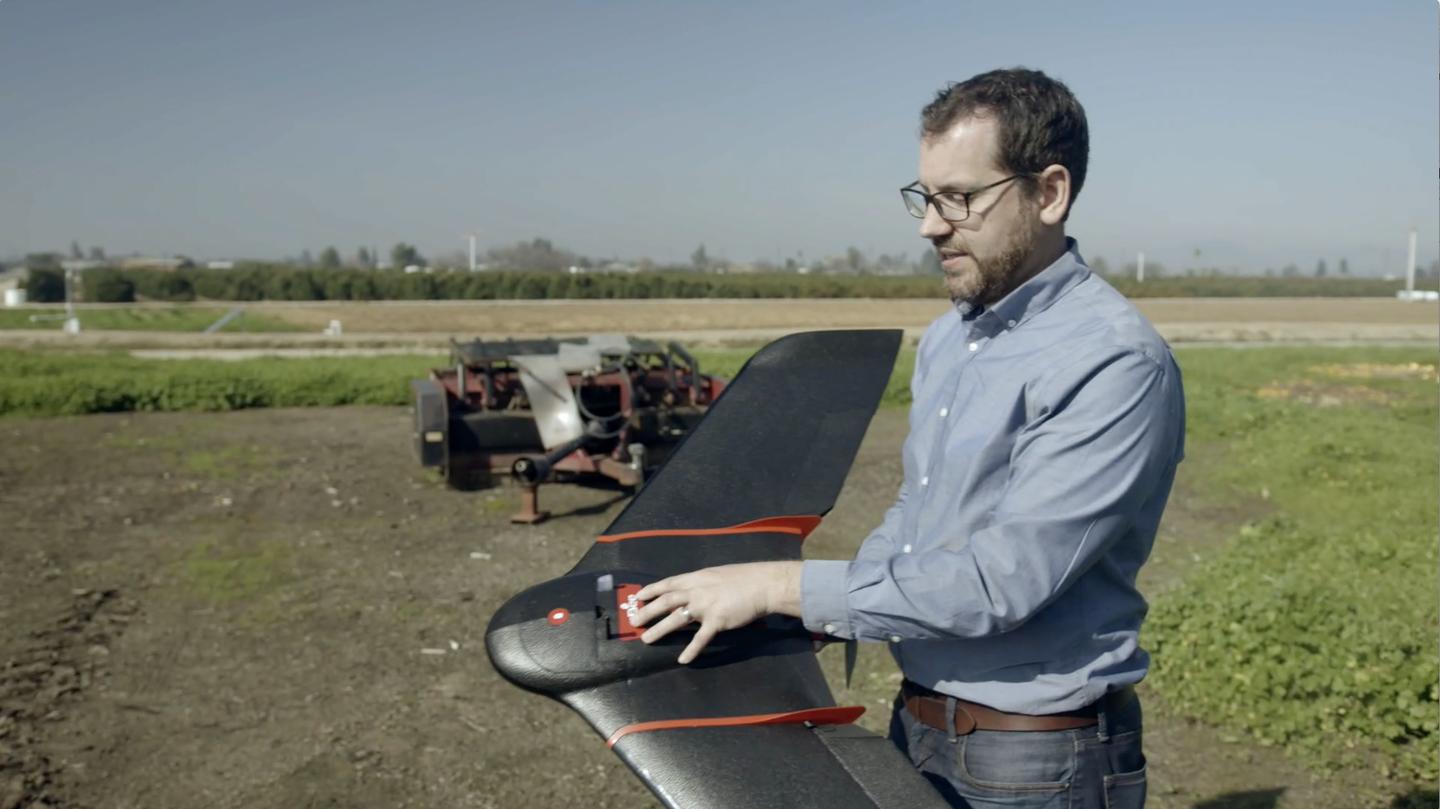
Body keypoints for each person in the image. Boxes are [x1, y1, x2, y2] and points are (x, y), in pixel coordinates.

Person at [632, 67, 1185, 809]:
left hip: (1036, 756)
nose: (929, 225)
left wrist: (778, 585)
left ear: (1048, 193)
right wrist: (821, 610)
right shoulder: (951, 341)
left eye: (959, 199)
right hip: (918, 724)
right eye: (925, 197)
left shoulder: (1113, 360)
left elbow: (1003, 580)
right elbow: (922, 514)